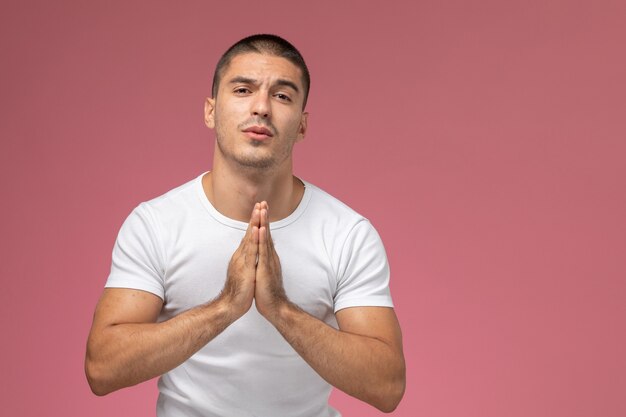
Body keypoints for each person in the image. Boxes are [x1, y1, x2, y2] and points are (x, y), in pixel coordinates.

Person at [85, 34, 405, 417]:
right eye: (242, 89)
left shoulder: (347, 234)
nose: (262, 107)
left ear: (302, 125)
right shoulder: (156, 224)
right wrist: (225, 307)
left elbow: (387, 387)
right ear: (210, 111)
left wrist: (281, 310)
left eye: (282, 96)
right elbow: (102, 369)